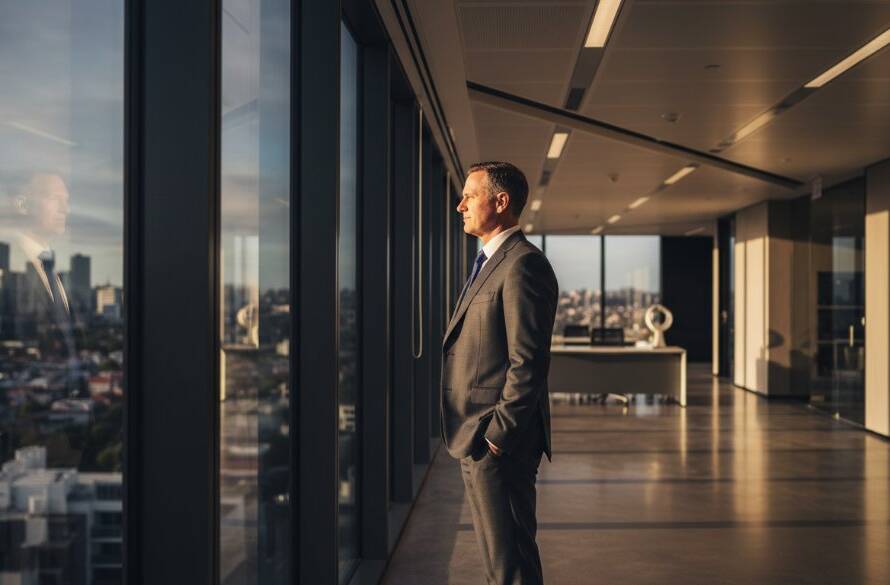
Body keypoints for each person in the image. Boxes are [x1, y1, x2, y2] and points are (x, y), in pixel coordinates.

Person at [440, 161, 558, 585]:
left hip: (498, 442)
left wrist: (497, 436)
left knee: (511, 565)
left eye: (469, 196)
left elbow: (528, 362)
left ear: (501, 201)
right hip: (477, 436)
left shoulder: (523, 264)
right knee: (500, 559)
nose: (460, 206)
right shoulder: (491, 262)